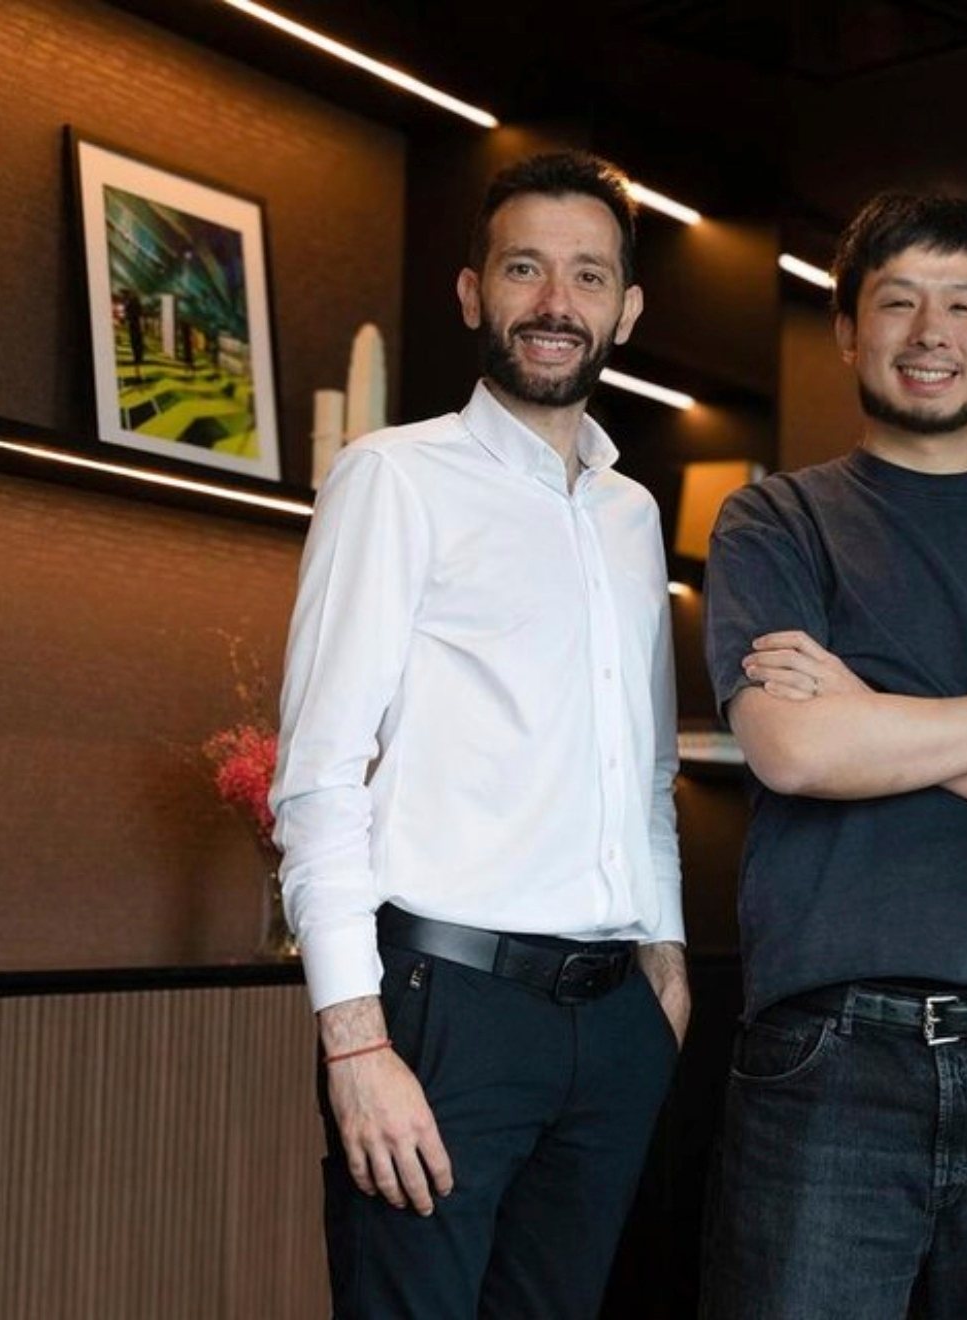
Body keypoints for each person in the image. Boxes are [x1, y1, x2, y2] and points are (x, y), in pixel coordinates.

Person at [697, 193, 967, 1320]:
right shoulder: (776, 522)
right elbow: (796, 751)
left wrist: (876, 710)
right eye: (898, 303)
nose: (930, 331)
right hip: (832, 1054)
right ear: (849, 330)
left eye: (962, 305)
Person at [270, 150, 688, 1319]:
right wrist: (356, 1043)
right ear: (472, 292)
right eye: (525, 268)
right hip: (445, 1009)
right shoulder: (392, 478)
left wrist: (663, 964)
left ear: (627, 310)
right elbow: (317, 779)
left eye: (589, 276)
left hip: (613, 1023)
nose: (557, 302)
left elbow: (643, 774)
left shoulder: (631, 512)